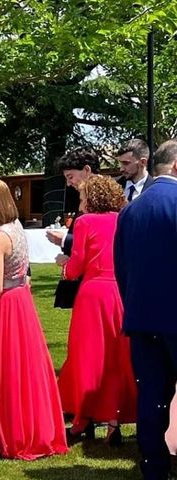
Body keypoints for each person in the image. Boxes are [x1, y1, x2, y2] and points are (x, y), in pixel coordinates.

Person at [0, 177, 68, 460]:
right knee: (23, 369)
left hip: (4, 309)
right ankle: (26, 428)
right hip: (19, 303)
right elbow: (15, 275)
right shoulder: (15, 229)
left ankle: (7, 432)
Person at [55, 175, 136, 446]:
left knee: (86, 357)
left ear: (92, 197)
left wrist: (63, 265)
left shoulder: (85, 221)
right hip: (120, 293)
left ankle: (82, 420)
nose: (80, 201)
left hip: (93, 294)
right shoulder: (123, 218)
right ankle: (113, 424)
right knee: (116, 357)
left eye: (82, 196)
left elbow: (75, 267)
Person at [114, 139, 177, 480]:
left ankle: (154, 465)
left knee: (152, 393)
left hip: (141, 316)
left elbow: (121, 268)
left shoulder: (131, 210)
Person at [46, 147, 100, 309]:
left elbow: (100, 238)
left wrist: (64, 240)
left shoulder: (103, 199)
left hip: (95, 282)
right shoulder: (86, 196)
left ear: (86, 170)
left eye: (70, 177)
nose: (69, 184)